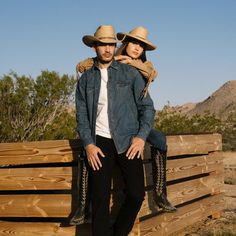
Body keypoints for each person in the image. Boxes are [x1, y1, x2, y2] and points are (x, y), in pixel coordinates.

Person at [70, 27, 176, 224]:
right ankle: (83, 204)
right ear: (125, 43)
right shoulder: (108, 61)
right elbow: (85, 68)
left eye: (141, 46)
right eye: (134, 43)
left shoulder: (140, 66)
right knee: (87, 155)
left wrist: (134, 64)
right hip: (104, 132)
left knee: (159, 140)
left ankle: (160, 192)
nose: (137, 48)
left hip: (133, 125)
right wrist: (88, 143)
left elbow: (152, 75)